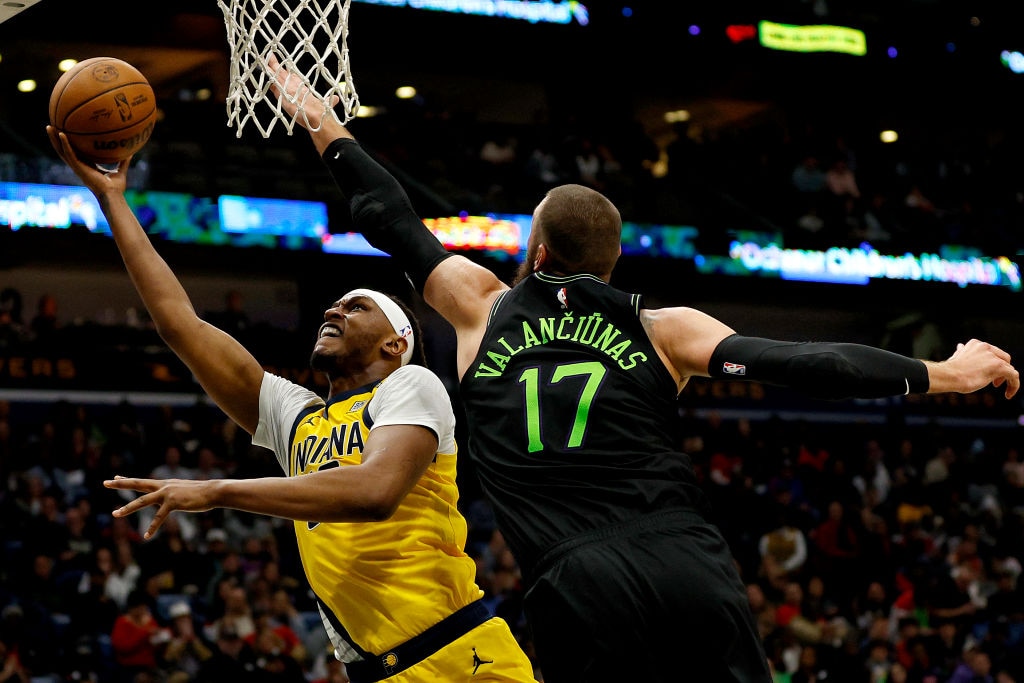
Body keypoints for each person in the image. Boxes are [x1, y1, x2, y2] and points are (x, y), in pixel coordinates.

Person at [257, 57, 1021, 683]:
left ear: (538, 253)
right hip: (684, 559)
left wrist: (321, 121)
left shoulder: (480, 306)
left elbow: (388, 217)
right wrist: (944, 372)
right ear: (614, 261)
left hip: (576, 581)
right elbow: (808, 361)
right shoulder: (663, 328)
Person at [46, 126, 537, 683]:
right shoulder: (296, 416)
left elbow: (374, 493)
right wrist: (112, 200)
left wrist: (217, 491)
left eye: (356, 308)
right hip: (373, 670)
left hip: (457, 658)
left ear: (394, 344)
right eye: (333, 304)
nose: (334, 310)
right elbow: (179, 324)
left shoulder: (412, 385)